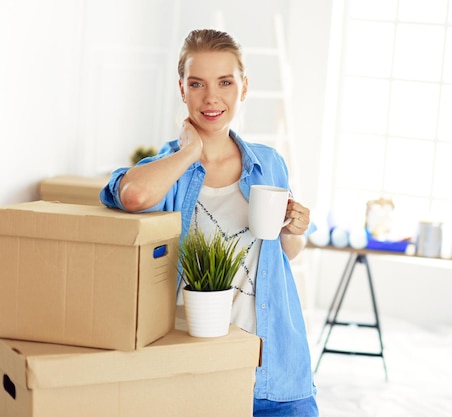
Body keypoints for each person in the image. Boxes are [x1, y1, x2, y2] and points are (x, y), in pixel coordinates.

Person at [100, 29, 318, 417]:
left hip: (278, 369)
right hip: (199, 372)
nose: (211, 97)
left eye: (225, 82)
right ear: (182, 89)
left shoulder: (269, 163)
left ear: (244, 88)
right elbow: (132, 196)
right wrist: (191, 150)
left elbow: (289, 253)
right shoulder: (169, 170)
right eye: (197, 83)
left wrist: (293, 228)